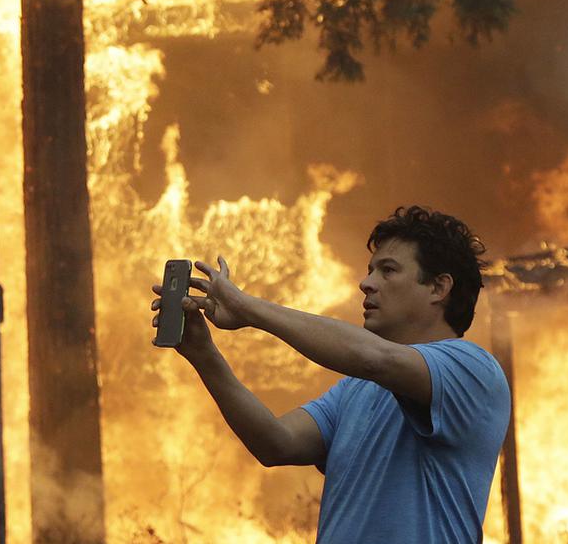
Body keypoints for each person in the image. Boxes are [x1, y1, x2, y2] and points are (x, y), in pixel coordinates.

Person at [150, 205, 510, 543]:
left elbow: (373, 358)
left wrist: (249, 308)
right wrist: (203, 355)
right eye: (371, 270)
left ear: (438, 287)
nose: (366, 283)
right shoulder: (358, 387)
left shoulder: (473, 369)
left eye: (388, 270)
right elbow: (275, 442)